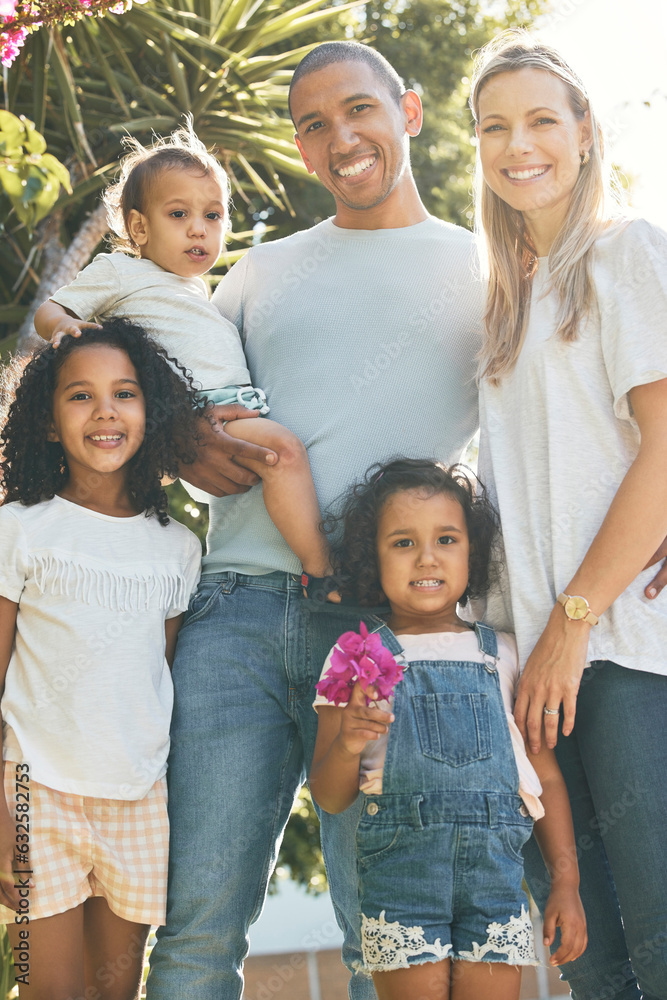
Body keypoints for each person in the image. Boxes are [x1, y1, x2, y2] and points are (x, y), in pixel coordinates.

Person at [146, 41, 485, 1000]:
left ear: (408, 112)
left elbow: (556, 412)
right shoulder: (256, 271)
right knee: (198, 927)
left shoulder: (483, 265)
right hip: (236, 617)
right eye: (312, 125)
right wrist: (185, 443)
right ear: (300, 150)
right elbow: (184, 419)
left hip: (381, 629)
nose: (341, 138)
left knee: (386, 932)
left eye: (358, 110)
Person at [470, 31, 667, 998]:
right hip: (538, 667)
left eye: (542, 119)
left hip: (623, 647)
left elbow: (664, 447)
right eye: (495, 126)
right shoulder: (506, 301)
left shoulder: (621, 251)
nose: (519, 145)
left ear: (584, 131)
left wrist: (570, 626)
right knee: (593, 964)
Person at [309, 459, 587, 1000]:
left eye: (446, 538)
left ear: (472, 552)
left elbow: (546, 780)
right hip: (400, 882)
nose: (427, 557)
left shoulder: (505, 653)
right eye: (403, 543)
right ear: (373, 557)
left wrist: (567, 883)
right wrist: (348, 742)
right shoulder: (354, 657)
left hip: (495, 883)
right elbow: (329, 795)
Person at [32, 121, 332, 586]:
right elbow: (50, 310)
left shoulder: (199, 292)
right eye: (178, 215)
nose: (198, 228)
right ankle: (323, 569)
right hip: (196, 414)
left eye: (212, 216)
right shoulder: (120, 272)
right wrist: (67, 325)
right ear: (139, 227)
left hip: (227, 411)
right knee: (286, 454)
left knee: (276, 467)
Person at [0, 319, 202, 999]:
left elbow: (159, 679)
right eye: (80, 396)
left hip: (138, 798)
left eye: (124, 393)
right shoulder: (19, 527)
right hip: (35, 794)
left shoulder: (177, 548)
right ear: (49, 421)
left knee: (112, 992)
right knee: (47, 991)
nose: (106, 412)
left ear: (152, 414)